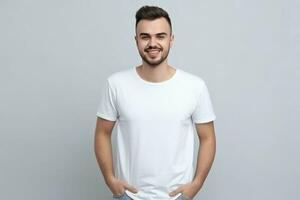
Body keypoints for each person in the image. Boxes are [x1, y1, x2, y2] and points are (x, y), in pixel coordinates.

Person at [94, 5, 217, 200]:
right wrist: (111, 180)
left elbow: (208, 138)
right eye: (145, 37)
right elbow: (102, 132)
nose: (153, 43)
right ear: (136, 41)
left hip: (177, 197)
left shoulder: (195, 86)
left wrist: (196, 184)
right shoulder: (116, 84)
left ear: (171, 39)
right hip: (129, 197)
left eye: (160, 36)